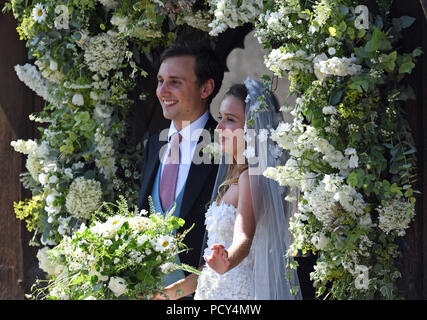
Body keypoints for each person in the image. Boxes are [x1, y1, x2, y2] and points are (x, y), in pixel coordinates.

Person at [153, 78, 301, 300]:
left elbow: (244, 236)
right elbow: (212, 267)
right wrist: (167, 294)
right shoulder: (239, 176)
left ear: (253, 129)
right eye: (220, 117)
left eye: (230, 120)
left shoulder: (251, 177)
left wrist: (228, 261)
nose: (220, 127)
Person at [137, 41, 224, 293]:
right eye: (160, 81)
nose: (162, 91)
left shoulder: (224, 144)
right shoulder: (155, 143)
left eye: (174, 82)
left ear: (206, 88)